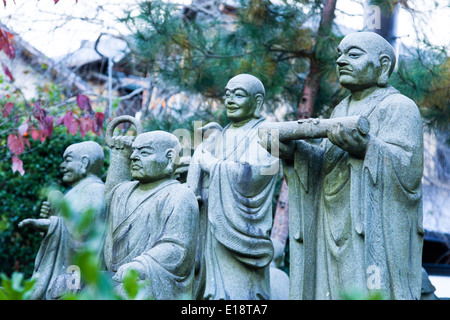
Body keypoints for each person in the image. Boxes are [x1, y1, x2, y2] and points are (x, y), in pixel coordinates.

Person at [263, 32, 424, 300]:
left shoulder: (400, 107)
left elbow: (408, 172)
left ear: (383, 65)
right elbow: (327, 166)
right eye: (339, 53)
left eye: (353, 54)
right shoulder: (340, 110)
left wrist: (368, 147)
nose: (341, 60)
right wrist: (295, 153)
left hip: (371, 225)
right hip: (332, 219)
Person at [187, 74, 280, 300]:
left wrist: (213, 165)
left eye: (239, 95)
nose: (229, 100)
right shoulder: (224, 132)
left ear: (257, 102)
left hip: (240, 227)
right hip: (212, 224)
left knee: (238, 294)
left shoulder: (267, 132)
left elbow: (261, 173)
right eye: (227, 94)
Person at [103, 130, 199, 300]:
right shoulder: (124, 191)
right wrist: (119, 156)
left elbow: (177, 249)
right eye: (133, 151)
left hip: (149, 280)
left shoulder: (179, 195)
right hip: (114, 275)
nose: (133, 157)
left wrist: (141, 266)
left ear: (170, 158)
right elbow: (109, 201)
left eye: (144, 152)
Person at [19, 141, 106, 300]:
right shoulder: (75, 192)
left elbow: (86, 228)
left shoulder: (95, 189)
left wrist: (51, 224)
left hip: (77, 272)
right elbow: (62, 234)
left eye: (68, 160)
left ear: (84, 162)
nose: (62, 165)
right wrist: (52, 218)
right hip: (65, 269)